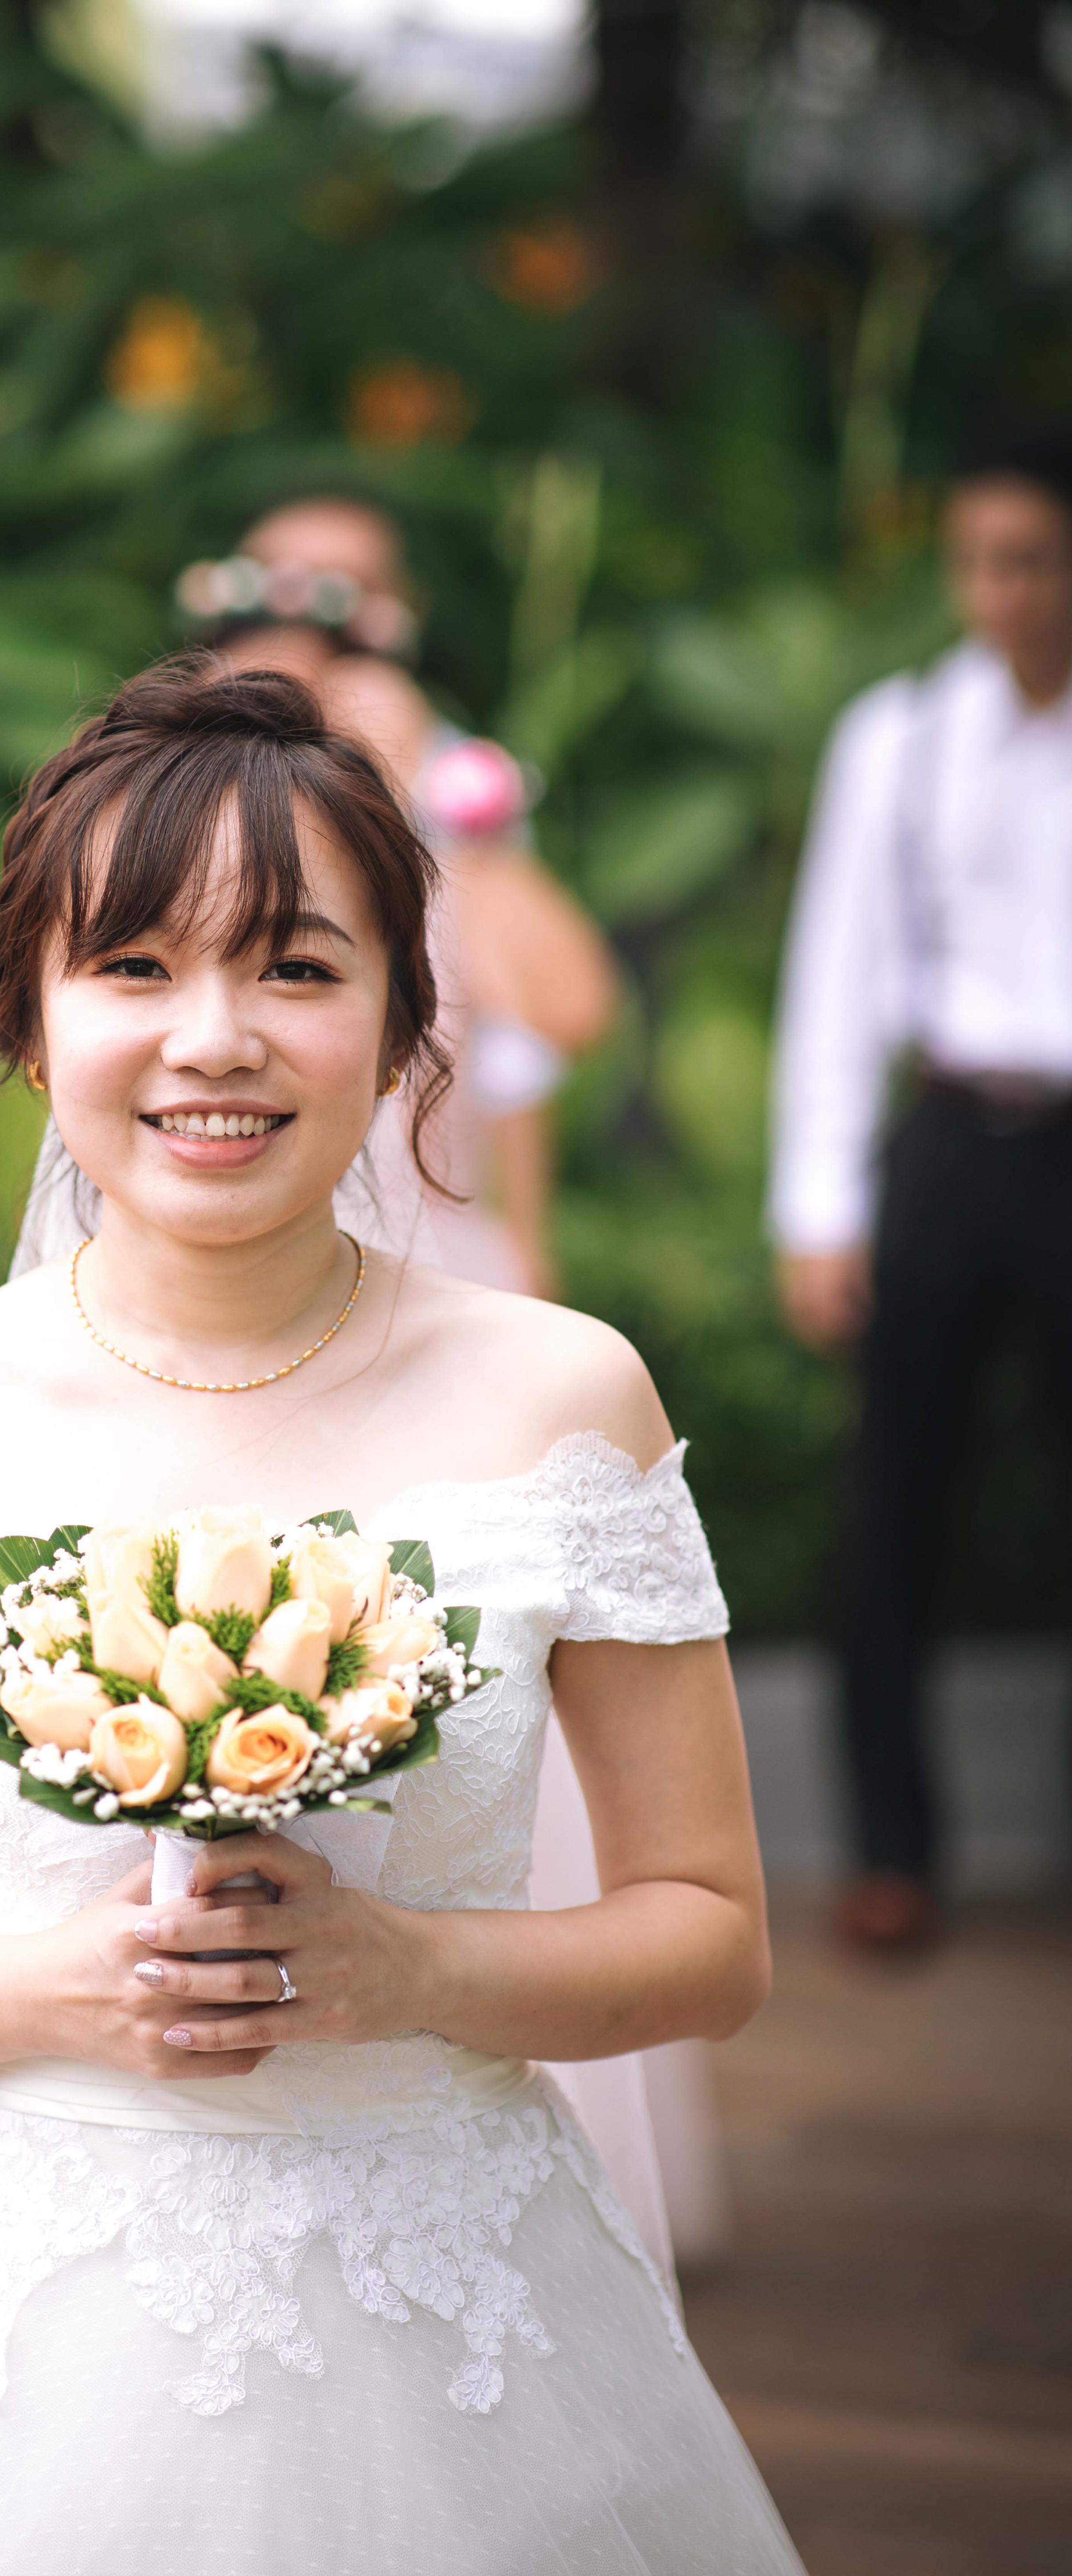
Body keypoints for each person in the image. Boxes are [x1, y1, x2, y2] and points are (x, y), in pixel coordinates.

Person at [0, 661, 801, 2572]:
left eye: (296, 967)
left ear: (404, 1020)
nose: (215, 1039)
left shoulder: (564, 1397)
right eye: (132, 967)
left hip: (469, 2330)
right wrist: (56, 1994)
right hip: (9, 2353)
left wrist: (413, 1972)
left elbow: (713, 1935)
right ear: (27, 1017)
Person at [191, 503, 727, 2271]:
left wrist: (444, 815)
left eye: (342, 621)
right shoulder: (185, 825)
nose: (309, 651)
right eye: (275, 614)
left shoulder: (445, 819)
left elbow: (569, 1005)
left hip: (447, 1311)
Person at [771, 428, 1072, 1952]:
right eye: (976, 561)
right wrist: (818, 1208)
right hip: (952, 1139)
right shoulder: (899, 737)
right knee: (896, 1502)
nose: (1000, 592)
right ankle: (892, 1852)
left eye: (1031, 561)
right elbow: (840, 976)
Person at [184, 494, 620, 1298]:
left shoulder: (455, 782)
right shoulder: (158, 774)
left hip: (421, 1245)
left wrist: (414, 782)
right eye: (275, 585)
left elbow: (569, 1014)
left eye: (340, 592)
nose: (301, 631)